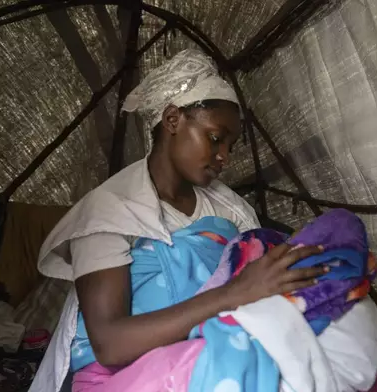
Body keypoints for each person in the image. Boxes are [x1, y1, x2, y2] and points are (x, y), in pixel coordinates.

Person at [29, 49, 327, 392]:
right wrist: (231, 294)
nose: (224, 157)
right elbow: (110, 344)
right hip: (131, 378)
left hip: (222, 353)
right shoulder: (111, 212)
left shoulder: (229, 210)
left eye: (231, 145)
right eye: (216, 138)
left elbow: (259, 281)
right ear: (172, 120)